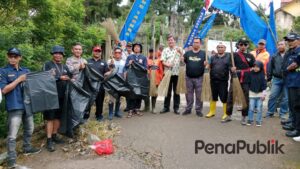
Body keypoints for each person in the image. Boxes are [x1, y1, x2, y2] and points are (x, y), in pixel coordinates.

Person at [0, 48, 41, 168]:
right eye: (10, 56)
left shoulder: (26, 70)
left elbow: (36, 85)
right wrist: (19, 80)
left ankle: (27, 148)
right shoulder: (3, 71)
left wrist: (50, 75)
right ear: (8, 57)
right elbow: (4, 90)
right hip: (14, 106)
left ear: (20, 58)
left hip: (27, 105)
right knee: (12, 135)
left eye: (15, 56)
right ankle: (11, 160)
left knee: (30, 129)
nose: (13, 58)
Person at [42, 45, 70, 152]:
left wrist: (71, 79)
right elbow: (43, 77)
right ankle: (49, 140)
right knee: (50, 118)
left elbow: (70, 77)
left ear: (63, 55)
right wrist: (59, 78)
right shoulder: (47, 65)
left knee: (58, 117)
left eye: (60, 53)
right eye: (56, 53)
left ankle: (54, 135)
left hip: (62, 96)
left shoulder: (65, 67)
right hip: (50, 96)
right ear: (53, 54)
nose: (58, 55)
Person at [223, 38, 255, 125]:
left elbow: (254, 67)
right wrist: (231, 68)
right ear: (238, 45)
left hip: (246, 80)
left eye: (245, 44)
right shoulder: (233, 55)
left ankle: (244, 117)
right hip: (235, 78)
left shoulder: (251, 56)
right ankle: (228, 115)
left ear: (247, 45)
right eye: (241, 44)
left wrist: (250, 71)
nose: (243, 46)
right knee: (230, 97)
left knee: (245, 98)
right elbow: (229, 65)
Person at [281, 32, 300, 140]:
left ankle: (298, 130)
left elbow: (293, 66)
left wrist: (287, 69)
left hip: (297, 83)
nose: (289, 43)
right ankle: (294, 125)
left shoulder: (298, 52)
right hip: (291, 82)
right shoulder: (291, 51)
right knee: (293, 106)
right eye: (288, 41)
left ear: (298, 40)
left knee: (297, 107)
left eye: (292, 40)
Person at [265, 41, 289, 122]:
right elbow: (270, 67)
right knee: (272, 96)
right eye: (278, 45)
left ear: (285, 45)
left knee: (286, 98)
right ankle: (270, 112)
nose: (280, 46)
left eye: (282, 44)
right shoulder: (274, 56)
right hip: (276, 79)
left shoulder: (289, 55)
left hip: (287, 79)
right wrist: (268, 78)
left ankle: (283, 113)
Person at [206, 42, 230, 120]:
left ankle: (225, 113)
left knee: (224, 97)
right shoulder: (212, 57)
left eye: (222, 47)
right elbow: (209, 66)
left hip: (223, 81)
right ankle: (212, 111)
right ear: (217, 48)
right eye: (219, 47)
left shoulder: (228, 57)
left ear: (225, 48)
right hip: (213, 80)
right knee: (213, 96)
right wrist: (206, 65)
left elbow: (232, 67)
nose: (220, 48)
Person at [181, 37, 205, 117]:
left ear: (200, 43)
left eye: (197, 42)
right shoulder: (188, 53)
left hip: (199, 78)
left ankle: (198, 110)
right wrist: (181, 59)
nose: (195, 44)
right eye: (194, 42)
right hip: (188, 77)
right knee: (188, 94)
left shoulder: (203, 53)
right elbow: (183, 62)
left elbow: (208, 65)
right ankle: (188, 109)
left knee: (199, 95)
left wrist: (207, 64)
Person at [86, 45, 109, 121]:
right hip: (89, 85)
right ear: (93, 52)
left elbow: (107, 72)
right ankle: (86, 116)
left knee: (100, 101)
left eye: (99, 51)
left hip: (100, 85)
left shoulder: (104, 63)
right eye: (96, 51)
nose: (97, 52)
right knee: (88, 101)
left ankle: (99, 115)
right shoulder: (87, 61)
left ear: (101, 53)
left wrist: (109, 72)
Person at [160, 34, 182, 115]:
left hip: (177, 73)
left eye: (172, 40)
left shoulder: (179, 49)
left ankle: (176, 108)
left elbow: (183, 60)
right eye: (169, 40)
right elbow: (162, 61)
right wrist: (167, 64)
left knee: (177, 92)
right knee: (168, 91)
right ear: (167, 42)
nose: (170, 41)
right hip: (168, 73)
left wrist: (181, 53)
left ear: (174, 41)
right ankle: (166, 107)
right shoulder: (165, 50)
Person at [125, 42, 148, 117]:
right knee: (131, 93)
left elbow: (145, 68)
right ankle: (130, 110)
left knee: (139, 93)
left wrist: (141, 67)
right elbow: (126, 66)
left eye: (138, 47)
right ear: (133, 48)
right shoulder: (130, 57)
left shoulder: (143, 57)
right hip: (132, 78)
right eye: (135, 47)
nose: (137, 48)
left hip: (141, 79)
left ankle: (137, 109)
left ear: (140, 49)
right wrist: (129, 63)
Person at [107, 47, 125, 120]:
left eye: (119, 52)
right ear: (113, 53)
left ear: (121, 54)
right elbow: (108, 70)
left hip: (120, 81)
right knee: (111, 98)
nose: (117, 54)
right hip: (112, 81)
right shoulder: (110, 61)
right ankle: (110, 113)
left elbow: (125, 72)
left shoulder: (124, 62)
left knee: (119, 97)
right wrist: (111, 65)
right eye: (116, 52)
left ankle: (117, 112)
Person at [247, 61, 267, 127]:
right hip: (252, 94)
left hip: (260, 94)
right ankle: (250, 119)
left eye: (257, 67)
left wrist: (264, 94)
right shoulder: (250, 74)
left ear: (261, 67)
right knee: (251, 108)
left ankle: (258, 120)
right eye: (254, 67)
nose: (255, 68)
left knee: (259, 108)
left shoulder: (263, 75)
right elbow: (248, 83)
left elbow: (264, 85)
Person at [147, 48, 164, 113]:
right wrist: (149, 68)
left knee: (154, 94)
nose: (152, 53)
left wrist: (160, 78)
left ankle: (153, 107)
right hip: (148, 80)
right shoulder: (147, 60)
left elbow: (161, 71)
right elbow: (145, 68)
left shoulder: (159, 61)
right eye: (150, 52)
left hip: (156, 80)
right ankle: (147, 106)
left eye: (153, 52)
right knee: (147, 94)